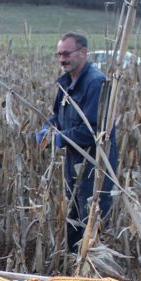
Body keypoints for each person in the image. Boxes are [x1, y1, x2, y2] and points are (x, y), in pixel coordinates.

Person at [36, 32, 119, 252]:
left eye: (66, 53)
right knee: (72, 223)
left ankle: (91, 276)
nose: (62, 59)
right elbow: (57, 116)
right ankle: (73, 270)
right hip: (74, 166)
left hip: (94, 169)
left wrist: (59, 138)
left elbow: (93, 131)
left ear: (83, 52)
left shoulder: (96, 83)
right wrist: (47, 128)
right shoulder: (66, 83)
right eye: (59, 54)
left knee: (91, 226)